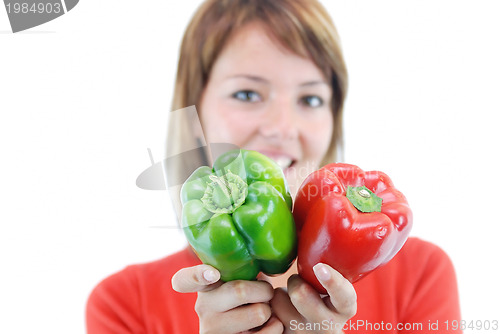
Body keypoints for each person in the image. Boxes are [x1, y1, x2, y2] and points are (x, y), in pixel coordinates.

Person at [86, 0, 462, 333]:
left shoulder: (421, 275)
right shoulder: (124, 304)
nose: (283, 128)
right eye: (247, 93)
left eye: (311, 98)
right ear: (194, 110)